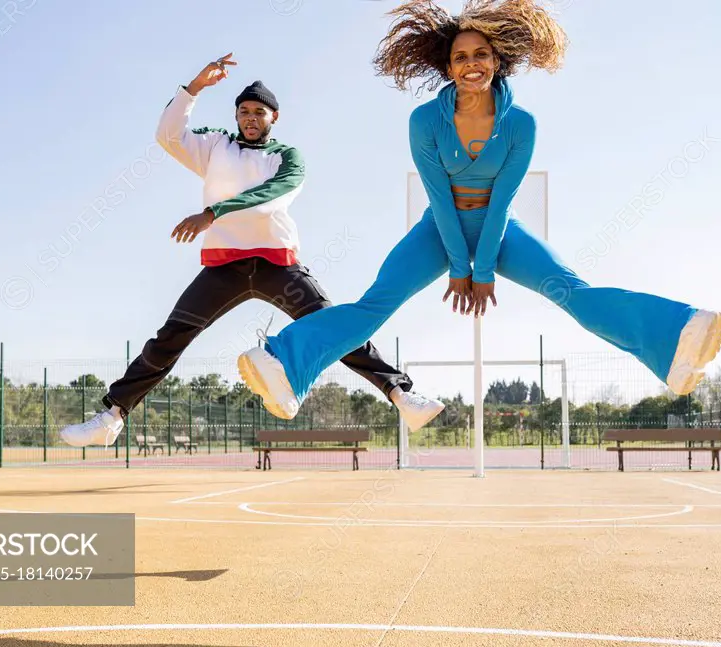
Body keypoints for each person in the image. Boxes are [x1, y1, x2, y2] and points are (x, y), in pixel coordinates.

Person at [238, 1, 721, 421]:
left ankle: (675, 338)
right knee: (374, 306)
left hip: (499, 229)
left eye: (480, 55)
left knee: (572, 292)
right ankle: (282, 361)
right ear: (447, 67)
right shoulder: (425, 120)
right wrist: (458, 266)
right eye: (460, 57)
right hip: (439, 229)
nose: (471, 64)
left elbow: (502, 201)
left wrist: (484, 270)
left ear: (498, 60)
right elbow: (438, 197)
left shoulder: (521, 125)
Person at [60, 53, 444, 447]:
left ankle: (401, 394)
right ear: (236, 115)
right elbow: (169, 136)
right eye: (243, 110)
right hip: (223, 270)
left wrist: (213, 213)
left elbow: (270, 196)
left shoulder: (287, 157)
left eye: (259, 111)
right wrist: (193, 89)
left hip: (277, 266)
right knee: (169, 338)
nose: (250, 117)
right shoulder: (215, 147)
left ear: (273, 117)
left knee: (335, 328)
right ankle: (112, 416)